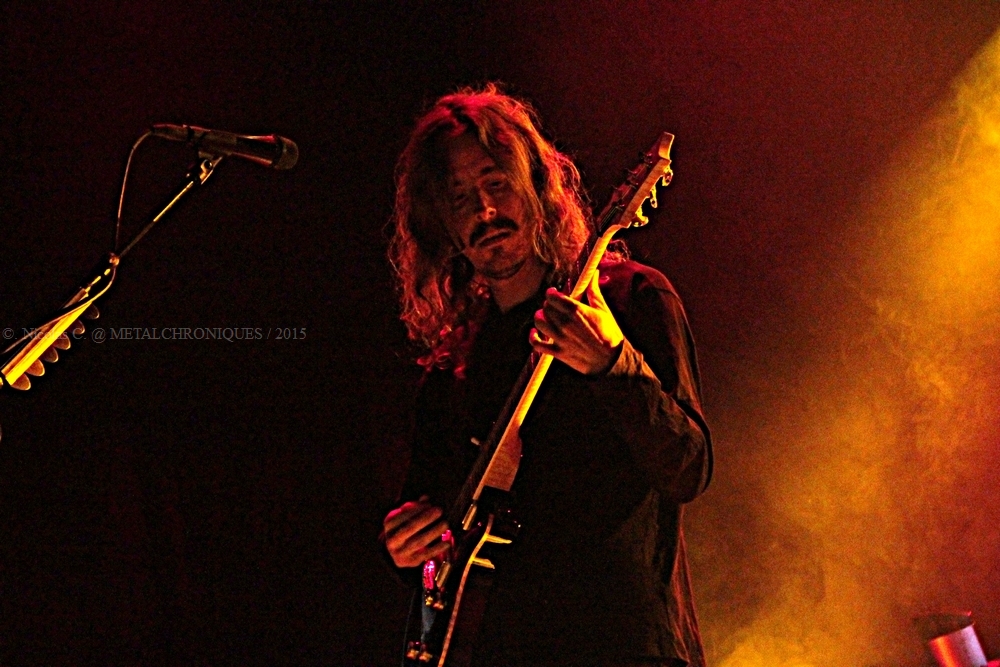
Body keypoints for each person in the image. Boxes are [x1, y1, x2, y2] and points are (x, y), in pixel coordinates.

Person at [381, 84, 712, 667]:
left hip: (625, 648)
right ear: (444, 227)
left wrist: (615, 363)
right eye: (460, 198)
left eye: (496, 183)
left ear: (536, 186)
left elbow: (690, 467)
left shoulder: (631, 300)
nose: (484, 211)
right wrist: (410, 548)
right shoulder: (453, 369)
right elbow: (437, 551)